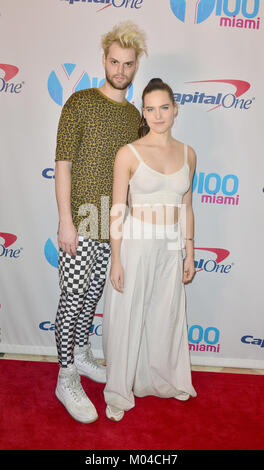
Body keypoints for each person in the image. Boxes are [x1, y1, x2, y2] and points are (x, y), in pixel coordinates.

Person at [54, 21, 147, 424]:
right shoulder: (79, 102)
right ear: (104, 60)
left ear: (136, 65)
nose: (120, 70)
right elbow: (63, 164)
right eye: (114, 61)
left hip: (111, 227)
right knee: (71, 300)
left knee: (91, 300)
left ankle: (80, 353)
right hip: (80, 222)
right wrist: (65, 221)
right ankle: (65, 377)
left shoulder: (134, 117)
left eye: (128, 64)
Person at [102, 78, 197, 421]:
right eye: (150, 108)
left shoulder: (189, 153)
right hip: (136, 240)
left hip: (172, 240)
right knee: (128, 317)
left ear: (175, 110)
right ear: (143, 112)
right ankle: (118, 391)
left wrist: (189, 249)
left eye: (164, 107)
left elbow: (186, 206)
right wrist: (116, 259)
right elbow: (116, 209)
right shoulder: (128, 153)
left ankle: (167, 379)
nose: (158, 115)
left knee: (166, 313)